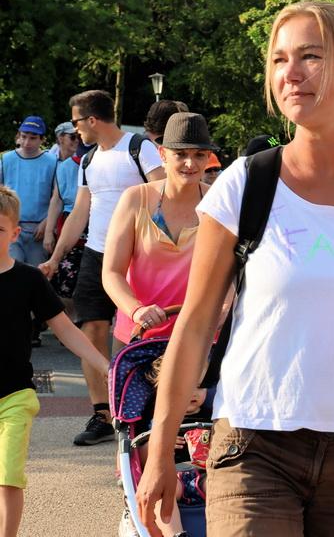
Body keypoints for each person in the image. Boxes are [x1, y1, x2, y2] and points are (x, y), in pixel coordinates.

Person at [135, 0, 334, 537]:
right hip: (254, 442)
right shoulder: (245, 183)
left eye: (311, 56)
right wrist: (160, 451)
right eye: (279, 60)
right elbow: (196, 322)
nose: (291, 73)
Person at [38, 90, 164, 446]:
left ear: (92, 120)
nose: (75, 129)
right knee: (90, 330)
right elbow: (80, 212)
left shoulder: (140, 148)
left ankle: (135, 411)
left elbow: (163, 194)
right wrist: (56, 257)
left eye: (76, 122)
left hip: (138, 256)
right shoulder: (88, 160)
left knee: (133, 334)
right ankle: (101, 415)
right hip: (96, 255)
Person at [0, 185, 109, 537]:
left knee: (8, 477)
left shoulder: (29, 279)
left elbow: (66, 330)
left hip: (15, 397)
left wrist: (105, 366)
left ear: (14, 233)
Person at [102, 113, 215, 356]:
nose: (190, 163)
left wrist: (223, 309)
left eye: (199, 155)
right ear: (162, 154)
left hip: (198, 337)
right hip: (139, 335)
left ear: (208, 157)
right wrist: (136, 310)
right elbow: (111, 272)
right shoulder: (136, 198)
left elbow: (229, 272)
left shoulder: (218, 202)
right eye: (181, 154)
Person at [142, 356, 210, 537]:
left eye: (200, 387)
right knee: (162, 493)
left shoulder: (214, 416)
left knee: (225, 487)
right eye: (186, 388)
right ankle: (175, 534)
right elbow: (139, 455)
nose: (194, 393)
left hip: (206, 474)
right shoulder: (159, 420)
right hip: (172, 475)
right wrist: (159, 444)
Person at [0, 116, 58, 266]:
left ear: (42, 139)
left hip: (38, 229)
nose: (27, 142)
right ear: (18, 136)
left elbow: (57, 197)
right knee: (12, 271)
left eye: (33, 138)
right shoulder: (6, 159)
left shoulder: (52, 162)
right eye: (24, 136)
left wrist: (47, 223)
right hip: (11, 226)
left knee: (35, 273)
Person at [42, 123, 84, 307]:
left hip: (95, 228)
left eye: (79, 137)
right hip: (69, 226)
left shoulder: (100, 162)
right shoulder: (64, 166)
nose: (77, 141)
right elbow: (56, 199)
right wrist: (48, 232)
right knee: (64, 284)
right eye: (73, 137)